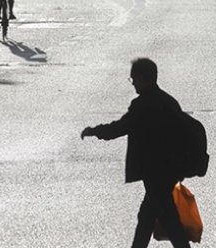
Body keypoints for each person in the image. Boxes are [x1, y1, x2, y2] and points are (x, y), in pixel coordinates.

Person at [80, 58, 191, 248]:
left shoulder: (143, 104)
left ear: (142, 78)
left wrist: (95, 131)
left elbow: (121, 127)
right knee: (164, 217)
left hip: (155, 170)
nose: (133, 85)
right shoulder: (168, 101)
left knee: (151, 217)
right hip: (169, 170)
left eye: (133, 80)